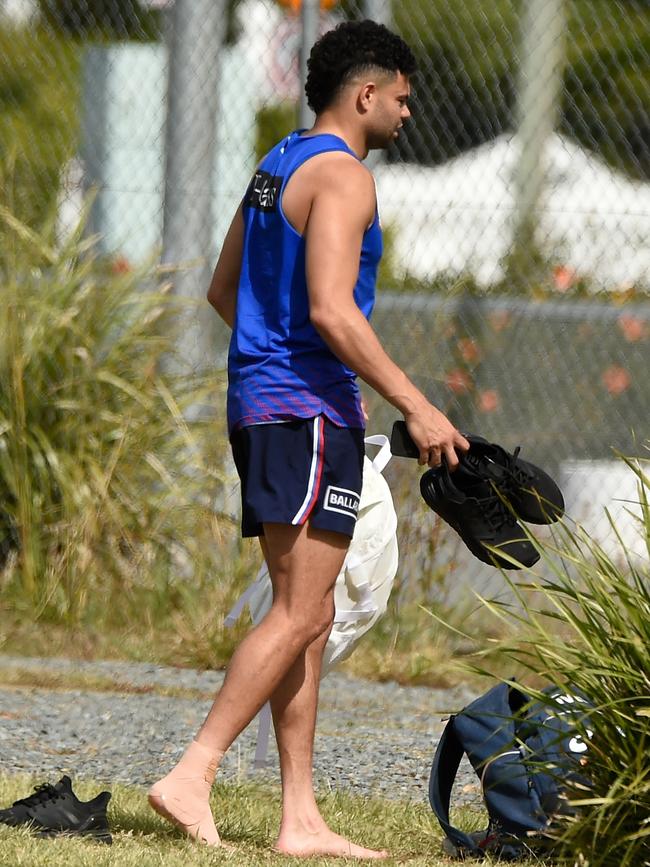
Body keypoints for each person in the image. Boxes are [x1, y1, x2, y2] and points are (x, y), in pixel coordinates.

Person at [148, 19, 469, 859]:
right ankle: (193, 770)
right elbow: (331, 309)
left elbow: (225, 290)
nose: (406, 113)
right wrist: (418, 405)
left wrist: (269, 355)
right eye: (400, 98)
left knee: (311, 612)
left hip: (259, 403)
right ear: (364, 94)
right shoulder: (346, 178)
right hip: (309, 412)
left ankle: (300, 818)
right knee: (300, 611)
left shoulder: (274, 166)